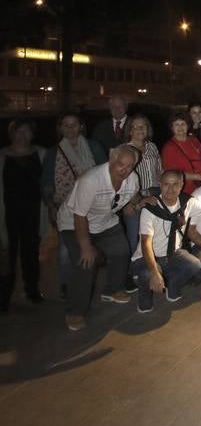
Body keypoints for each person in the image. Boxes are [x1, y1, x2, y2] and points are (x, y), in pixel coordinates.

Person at [59, 144, 149, 331]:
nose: (125, 170)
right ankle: (75, 311)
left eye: (130, 166)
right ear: (111, 160)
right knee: (85, 261)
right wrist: (85, 246)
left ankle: (113, 289)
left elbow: (132, 196)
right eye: (120, 165)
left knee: (121, 249)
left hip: (105, 220)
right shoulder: (91, 180)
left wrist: (140, 201)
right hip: (73, 222)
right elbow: (79, 216)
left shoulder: (132, 179)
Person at [41, 112, 106, 298]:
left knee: (89, 247)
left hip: (92, 207)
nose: (70, 129)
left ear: (81, 126)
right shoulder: (53, 152)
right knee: (65, 251)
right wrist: (51, 205)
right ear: (60, 128)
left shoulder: (94, 147)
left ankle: (86, 283)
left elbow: (104, 173)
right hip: (66, 209)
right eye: (66, 125)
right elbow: (47, 182)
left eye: (74, 124)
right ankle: (66, 285)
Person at [132, 169, 201, 313]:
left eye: (175, 185)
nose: (170, 189)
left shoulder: (188, 202)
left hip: (173, 253)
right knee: (148, 275)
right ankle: (144, 296)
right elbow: (145, 243)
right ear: (160, 185)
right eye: (166, 184)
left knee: (195, 265)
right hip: (146, 257)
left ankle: (173, 285)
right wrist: (154, 271)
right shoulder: (151, 208)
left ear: (181, 186)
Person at [0, 119, 46, 308]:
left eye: (26, 131)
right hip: (7, 213)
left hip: (33, 212)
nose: (22, 135)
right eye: (18, 131)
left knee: (31, 253)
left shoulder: (41, 154)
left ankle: (32, 289)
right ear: (11, 134)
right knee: (6, 254)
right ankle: (3, 295)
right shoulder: (2, 156)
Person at [124, 114, 163, 287]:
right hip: (134, 197)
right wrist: (131, 203)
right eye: (136, 126)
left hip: (154, 195)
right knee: (134, 237)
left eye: (143, 126)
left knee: (151, 235)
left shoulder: (152, 147)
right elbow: (121, 180)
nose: (140, 130)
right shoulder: (124, 150)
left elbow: (160, 171)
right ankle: (131, 273)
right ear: (130, 130)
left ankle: (151, 269)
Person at [161, 112, 201, 199]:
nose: (180, 127)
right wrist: (199, 177)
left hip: (200, 188)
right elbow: (171, 174)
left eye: (183, 124)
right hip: (182, 191)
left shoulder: (194, 140)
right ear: (172, 128)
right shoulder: (169, 148)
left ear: (188, 126)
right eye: (176, 124)